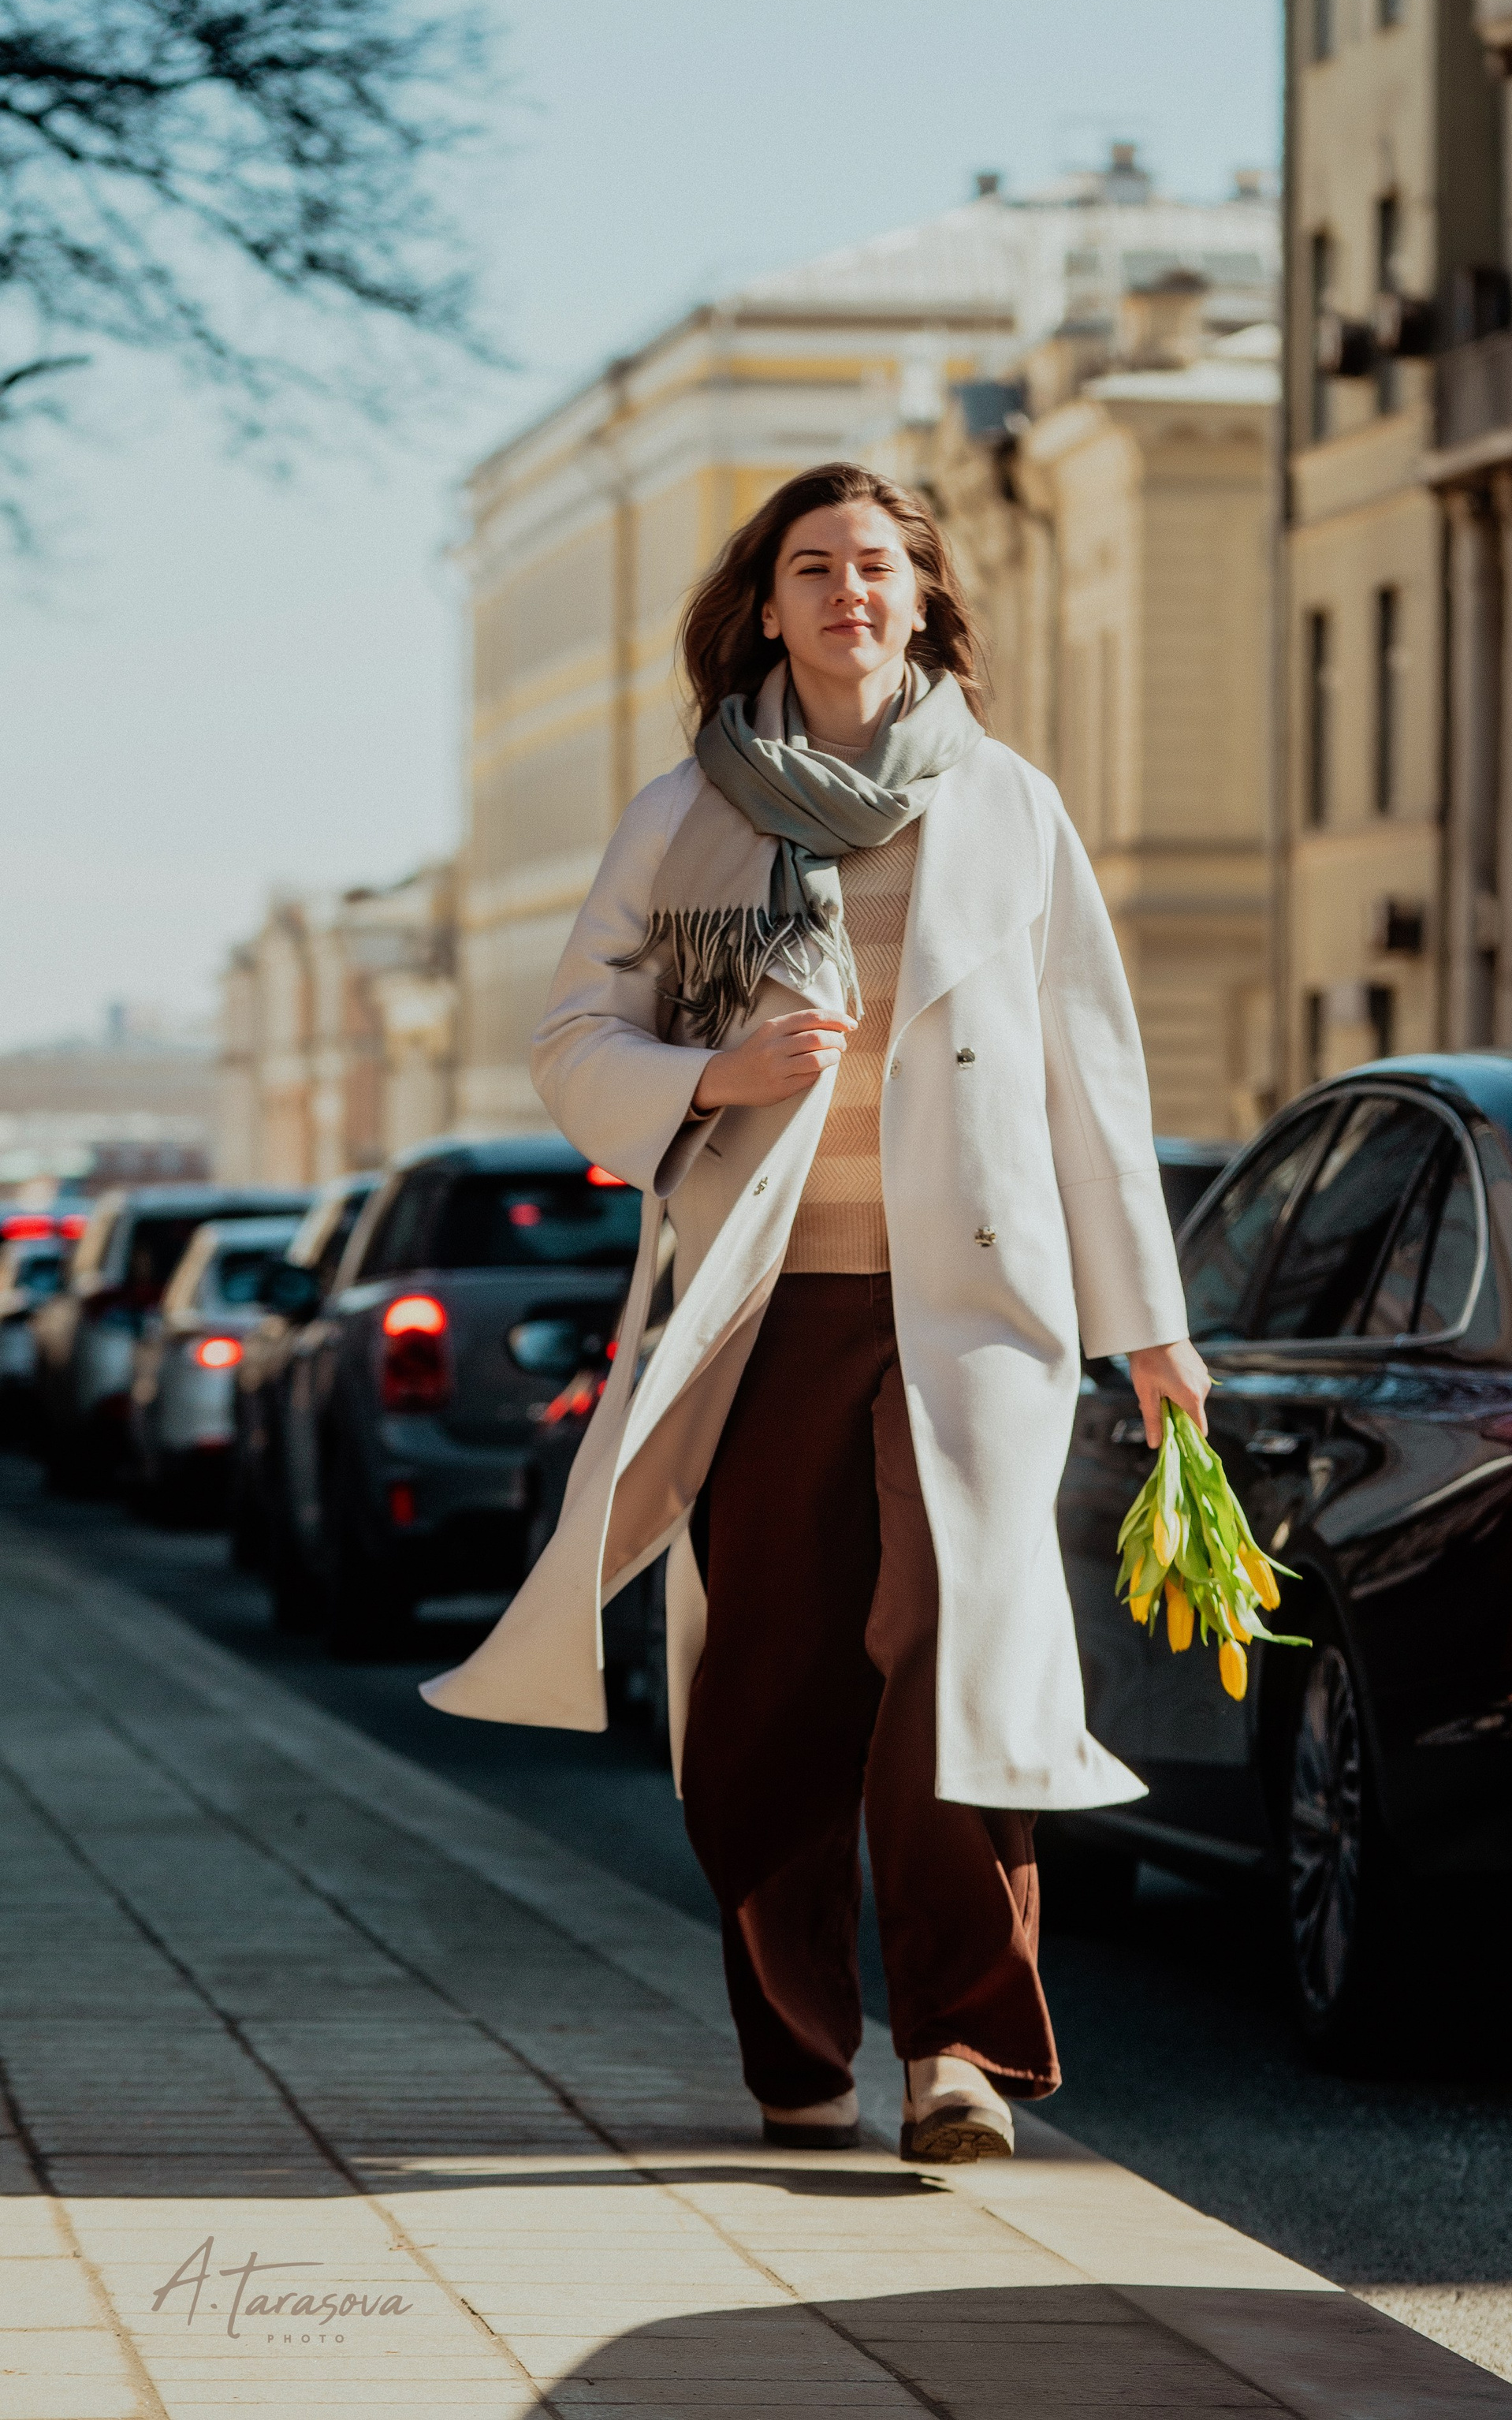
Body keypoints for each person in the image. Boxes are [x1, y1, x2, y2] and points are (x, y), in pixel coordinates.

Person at [423, 461, 1208, 2164]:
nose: (848, 591)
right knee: (771, 1686)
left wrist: (1148, 1322)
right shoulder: (684, 810)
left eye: (877, 565)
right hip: (763, 1304)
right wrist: (718, 1068)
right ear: (762, 603)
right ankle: (793, 2050)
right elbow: (572, 1038)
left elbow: (1091, 1073)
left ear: (924, 598)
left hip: (975, 1308)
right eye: (811, 565)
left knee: (954, 1655)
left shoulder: (1007, 805)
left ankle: (957, 2051)